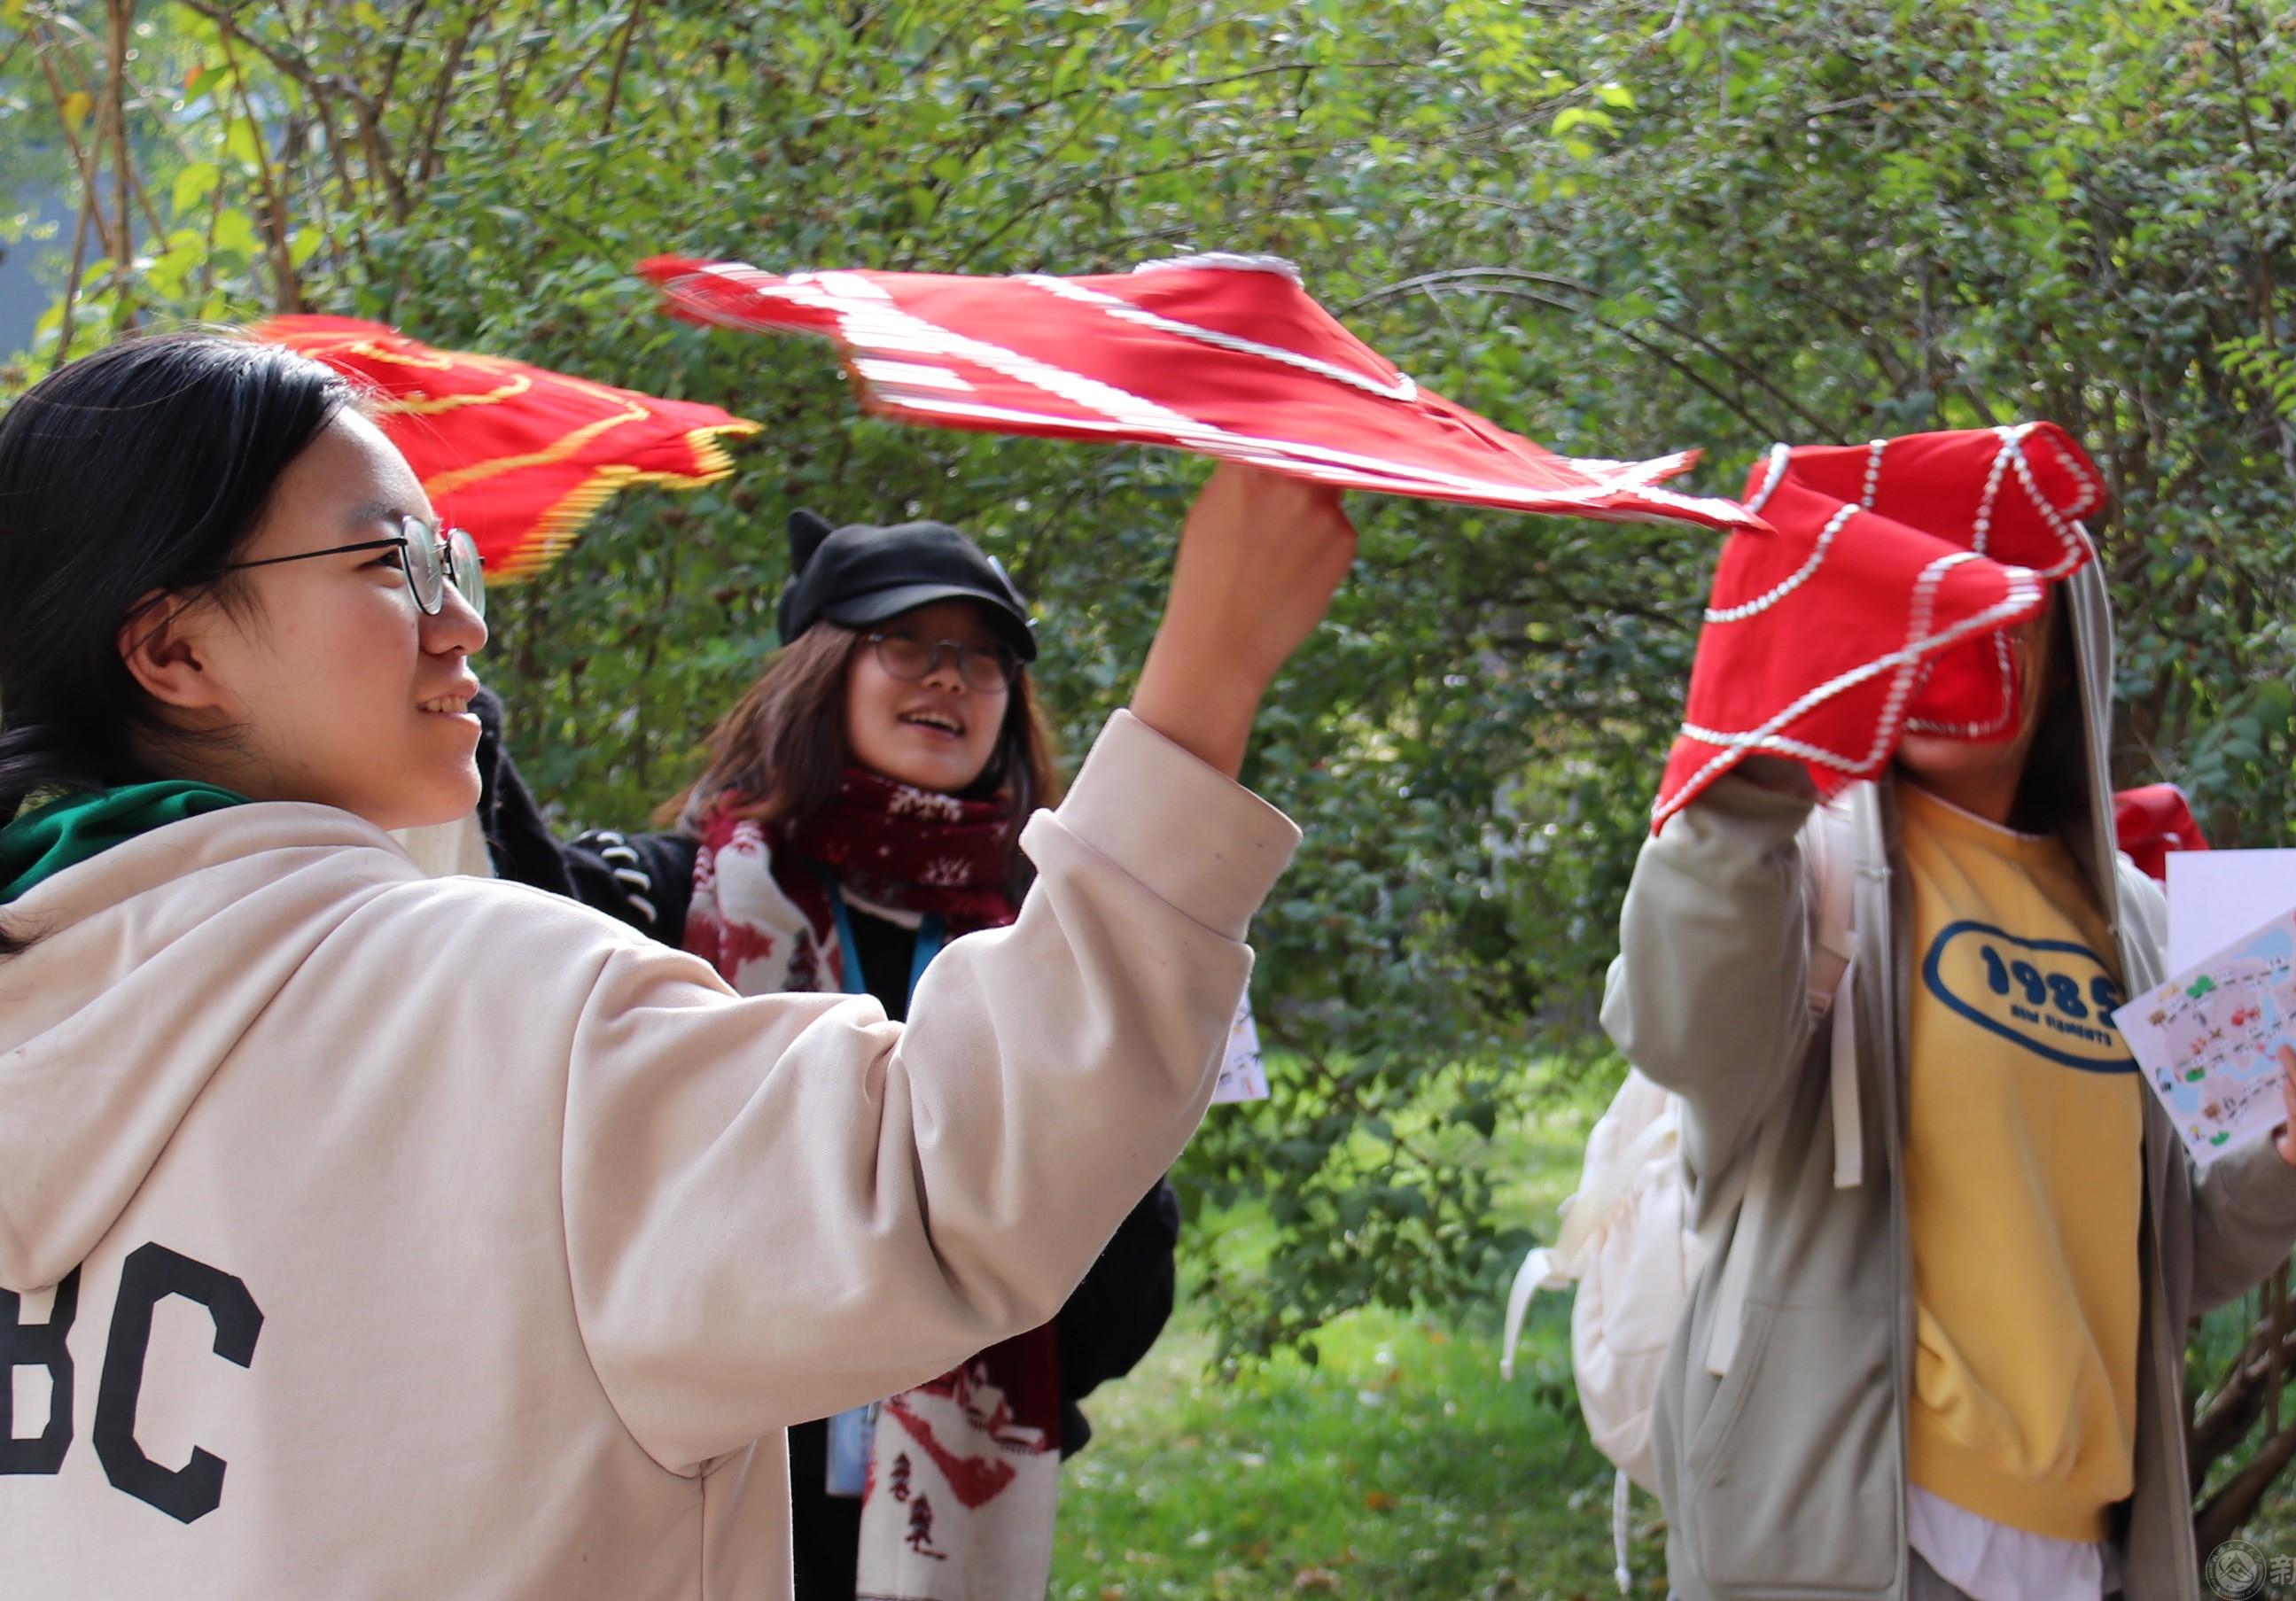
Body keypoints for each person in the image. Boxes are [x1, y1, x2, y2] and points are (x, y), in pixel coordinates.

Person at [0, 330, 1355, 1599]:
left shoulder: (54, 989)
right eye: (388, 561)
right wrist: (1212, 661)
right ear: (174, 648)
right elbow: (956, 1166)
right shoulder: (514, 1003)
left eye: (448, 558)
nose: (461, 620)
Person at [1602, 550, 2296, 1598]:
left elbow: (2169, 1262)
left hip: (2087, 1553)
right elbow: (1677, 1029)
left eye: (1989, 603)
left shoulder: (2133, 917)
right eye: (1917, 596)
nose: (1948, 639)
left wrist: (2286, 1163)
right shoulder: (1803, 866)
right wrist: (1750, 760)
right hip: (1857, 1536)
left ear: (2061, 644)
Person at [459, 508, 1184, 1599]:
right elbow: (503, 933)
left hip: (935, 1507)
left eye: (983, 656)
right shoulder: (663, 900)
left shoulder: (1043, 946)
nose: (949, 677)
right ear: (822, 669)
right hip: (697, 1484)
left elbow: (1117, 1260)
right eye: (906, 641)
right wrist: (460, 726)